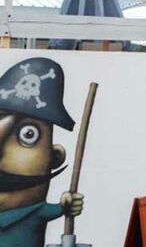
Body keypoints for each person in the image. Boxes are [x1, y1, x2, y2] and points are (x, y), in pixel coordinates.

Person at [0, 57, 84, 247]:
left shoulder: (34, 213)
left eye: (28, 134)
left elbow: (62, 208)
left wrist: (68, 205)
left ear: (54, 158)